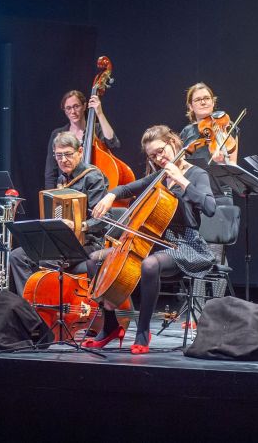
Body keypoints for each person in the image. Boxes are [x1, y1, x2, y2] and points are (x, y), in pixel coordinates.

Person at [83, 125, 216, 354]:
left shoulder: (196, 174)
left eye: (161, 151)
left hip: (184, 243)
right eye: (153, 156)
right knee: (94, 260)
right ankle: (112, 325)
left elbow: (210, 207)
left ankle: (143, 331)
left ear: (173, 142)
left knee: (149, 264)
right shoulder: (159, 176)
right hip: (154, 241)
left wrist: (182, 182)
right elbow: (126, 188)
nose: (159, 158)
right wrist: (110, 195)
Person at [9, 131, 109, 295]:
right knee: (17, 256)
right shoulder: (62, 179)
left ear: (80, 152)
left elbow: (104, 219)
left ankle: (48, 305)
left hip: (88, 243)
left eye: (68, 154)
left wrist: (79, 226)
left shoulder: (92, 177)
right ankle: (32, 305)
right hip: (62, 243)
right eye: (58, 155)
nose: (63, 160)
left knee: (47, 260)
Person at [179, 83, 240, 298]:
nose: (204, 102)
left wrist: (224, 159)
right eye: (198, 99)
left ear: (214, 101)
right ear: (191, 106)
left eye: (207, 98)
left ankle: (217, 305)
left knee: (216, 251)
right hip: (196, 194)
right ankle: (196, 303)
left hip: (220, 192)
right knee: (196, 251)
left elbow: (234, 164)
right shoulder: (187, 132)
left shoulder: (227, 127)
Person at [44, 90, 120, 190]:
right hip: (66, 188)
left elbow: (113, 144)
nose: (73, 111)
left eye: (76, 106)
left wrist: (99, 113)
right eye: (68, 108)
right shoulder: (57, 134)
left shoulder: (96, 129)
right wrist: (51, 196)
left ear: (84, 106)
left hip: (95, 187)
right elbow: (51, 172)